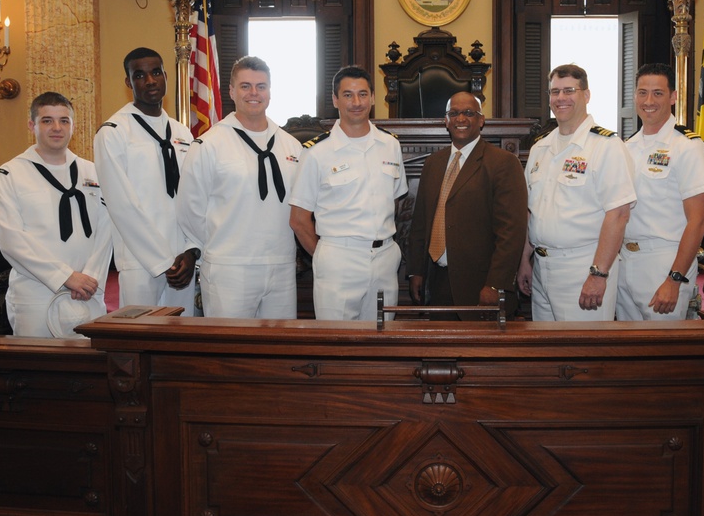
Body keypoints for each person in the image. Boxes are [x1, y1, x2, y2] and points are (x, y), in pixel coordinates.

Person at [176, 56, 302, 318]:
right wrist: (224, 246)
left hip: (281, 266)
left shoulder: (292, 146)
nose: (254, 93)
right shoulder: (209, 144)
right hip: (229, 267)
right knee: (230, 353)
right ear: (232, 91)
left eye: (261, 86)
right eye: (245, 86)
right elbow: (190, 210)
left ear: (270, 91)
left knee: (279, 351)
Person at [517, 64, 636, 321]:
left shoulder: (606, 147)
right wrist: (524, 259)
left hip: (583, 267)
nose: (560, 98)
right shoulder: (540, 149)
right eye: (555, 92)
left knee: (584, 355)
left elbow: (618, 215)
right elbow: (532, 211)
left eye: (569, 90)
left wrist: (599, 273)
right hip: (542, 267)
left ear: (587, 95)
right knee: (548, 354)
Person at [289, 65, 408, 320]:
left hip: (385, 259)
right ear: (335, 100)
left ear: (373, 98)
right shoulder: (316, 152)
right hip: (338, 261)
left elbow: (396, 201)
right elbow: (299, 220)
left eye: (363, 94)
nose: (356, 102)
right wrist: (326, 256)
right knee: (338, 345)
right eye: (348, 95)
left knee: (381, 341)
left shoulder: (390, 145)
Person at [0, 92, 112, 337]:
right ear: (32, 125)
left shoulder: (94, 172)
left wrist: (90, 278)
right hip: (36, 294)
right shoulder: (10, 175)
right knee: (37, 371)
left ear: (73, 126)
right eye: (47, 120)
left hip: (88, 293)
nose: (57, 128)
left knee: (91, 371)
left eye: (64, 121)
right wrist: (65, 276)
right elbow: (12, 241)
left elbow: (106, 229)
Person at [93, 47, 199, 315]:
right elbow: (121, 205)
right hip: (141, 261)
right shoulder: (113, 132)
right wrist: (162, 260)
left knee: (180, 342)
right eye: (139, 75)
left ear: (165, 75)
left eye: (155, 73)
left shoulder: (182, 132)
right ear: (129, 83)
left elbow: (194, 198)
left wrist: (190, 251)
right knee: (141, 341)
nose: (150, 81)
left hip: (181, 262)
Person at [406, 92, 528, 320]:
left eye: (468, 113)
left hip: (481, 286)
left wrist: (495, 285)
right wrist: (416, 271)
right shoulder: (433, 163)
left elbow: (511, 232)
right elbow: (421, 222)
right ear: (446, 121)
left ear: (481, 120)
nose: (460, 118)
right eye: (454, 113)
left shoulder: (503, 163)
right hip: (437, 282)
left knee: (480, 355)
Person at [616, 63, 704, 321]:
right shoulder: (627, 146)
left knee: (663, 354)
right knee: (628, 353)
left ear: (673, 97)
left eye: (658, 93)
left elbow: (698, 220)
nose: (648, 101)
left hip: (664, 263)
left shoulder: (688, 148)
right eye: (642, 92)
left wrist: (675, 278)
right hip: (625, 262)